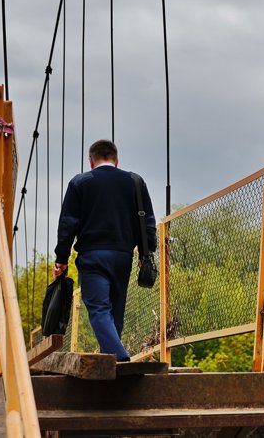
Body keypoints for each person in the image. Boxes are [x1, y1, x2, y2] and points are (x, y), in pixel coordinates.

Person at [53, 139, 156, 361]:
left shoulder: (80, 183)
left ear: (91, 161)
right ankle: (112, 358)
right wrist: (147, 253)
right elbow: (147, 220)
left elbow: (67, 224)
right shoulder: (135, 182)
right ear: (116, 160)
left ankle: (118, 356)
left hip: (93, 256)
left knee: (99, 309)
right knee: (115, 310)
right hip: (123, 255)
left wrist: (61, 258)